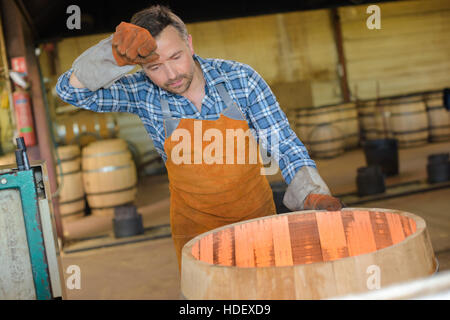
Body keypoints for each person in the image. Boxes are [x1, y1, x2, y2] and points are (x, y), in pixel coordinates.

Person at [56, 5, 343, 271]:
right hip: (194, 231)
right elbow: (71, 92)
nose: (171, 75)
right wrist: (111, 54)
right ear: (141, 67)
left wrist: (311, 190)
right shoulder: (142, 92)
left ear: (190, 44)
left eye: (176, 57)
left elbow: (283, 143)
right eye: (154, 67)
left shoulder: (241, 79)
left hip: (257, 220)